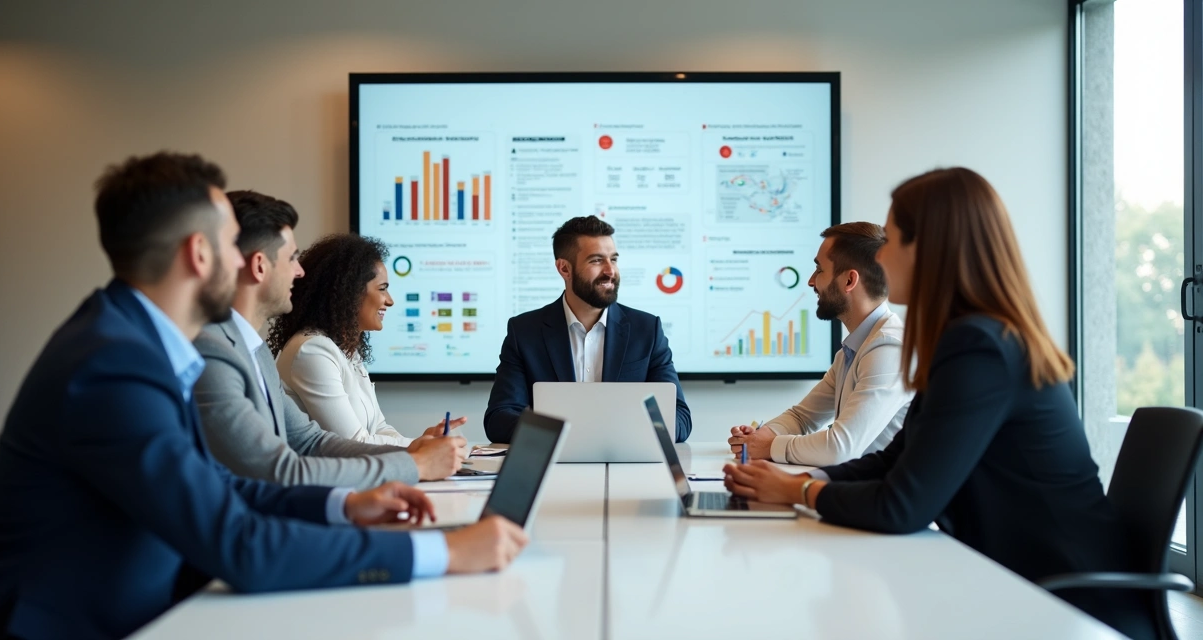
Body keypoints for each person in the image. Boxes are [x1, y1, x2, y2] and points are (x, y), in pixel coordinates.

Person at [0, 153, 527, 640]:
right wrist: (443, 551)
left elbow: (220, 485)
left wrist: (345, 502)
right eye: (231, 243)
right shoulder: (113, 367)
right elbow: (238, 542)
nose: (250, 259)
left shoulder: (131, 341)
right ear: (200, 254)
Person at [723, 167, 1155, 639]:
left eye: (893, 241)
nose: (881, 256)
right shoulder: (966, 338)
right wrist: (804, 479)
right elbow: (894, 461)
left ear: (929, 249)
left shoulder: (980, 349)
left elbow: (901, 506)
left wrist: (797, 492)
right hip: (1014, 581)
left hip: (1065, 605)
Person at [193, 190, 463, 487]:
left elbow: (311, 442)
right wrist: (415, 464)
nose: (299, 272)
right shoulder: (214, 352)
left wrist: (417, 451)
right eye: (292, 258)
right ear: (259, 266)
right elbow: (277, 471)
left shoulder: (255, 351)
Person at [484, 215, 692, 444]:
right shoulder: (524, 332)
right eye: (596, 261)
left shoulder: (647, 330)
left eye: (613, 259)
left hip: (628, 470)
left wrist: (605, 433)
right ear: (564, 268)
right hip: (553, 471)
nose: (610, 271)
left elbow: (680, 420)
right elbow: (499, 419)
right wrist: (571, 435)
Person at [728, 222, 912, 466]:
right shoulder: (854, 349)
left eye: (819, 270)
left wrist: (768, 446)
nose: (811, 281)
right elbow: (802, 417)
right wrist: (761, 437)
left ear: (849, 280)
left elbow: (840, 448)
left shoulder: (888, 349)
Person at [269, 234, 468, 456]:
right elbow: (353, 442)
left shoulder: (343, 348)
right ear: (349, 292)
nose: (390, 300)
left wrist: (423, 441)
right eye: (382, 288)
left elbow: (379, 428)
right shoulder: (312, 351)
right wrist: (419, 447)